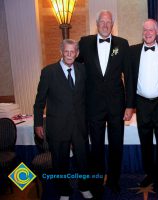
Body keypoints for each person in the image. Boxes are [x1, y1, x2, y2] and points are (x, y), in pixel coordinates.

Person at [76, 10, 134, 196]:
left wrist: (130, 105)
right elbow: (72, 64)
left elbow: (129, 76)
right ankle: (97, 182)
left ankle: (114, 181)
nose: (105, 24)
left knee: (116, 145)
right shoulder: (84, 43)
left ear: (112, 24)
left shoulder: (122, 44)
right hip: (93, 106)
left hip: (117, 105)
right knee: (97, 147)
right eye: (102, 21)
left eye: (109, 22)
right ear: (97, 23)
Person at [33, 39, 92, 200]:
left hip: (79, 125)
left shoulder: (83, 70)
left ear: (77, 53)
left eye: (72, 52)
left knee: (83, 160)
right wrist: (38, 123)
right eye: (66, 51)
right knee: (60, 162)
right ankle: (64, 191)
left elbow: (87, 96)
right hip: (57, 126)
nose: (69, 55)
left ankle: (84, 186)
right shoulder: (48, 72)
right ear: (61, 52)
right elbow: (39, 101)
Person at [130, 19, 158, 191]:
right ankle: (149, 173)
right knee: (146, 142)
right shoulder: (133, 51)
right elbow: (128, 76)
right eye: (145, 30)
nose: (148, 33)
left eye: (151, 30)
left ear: (157, 32)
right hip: (142, 105)